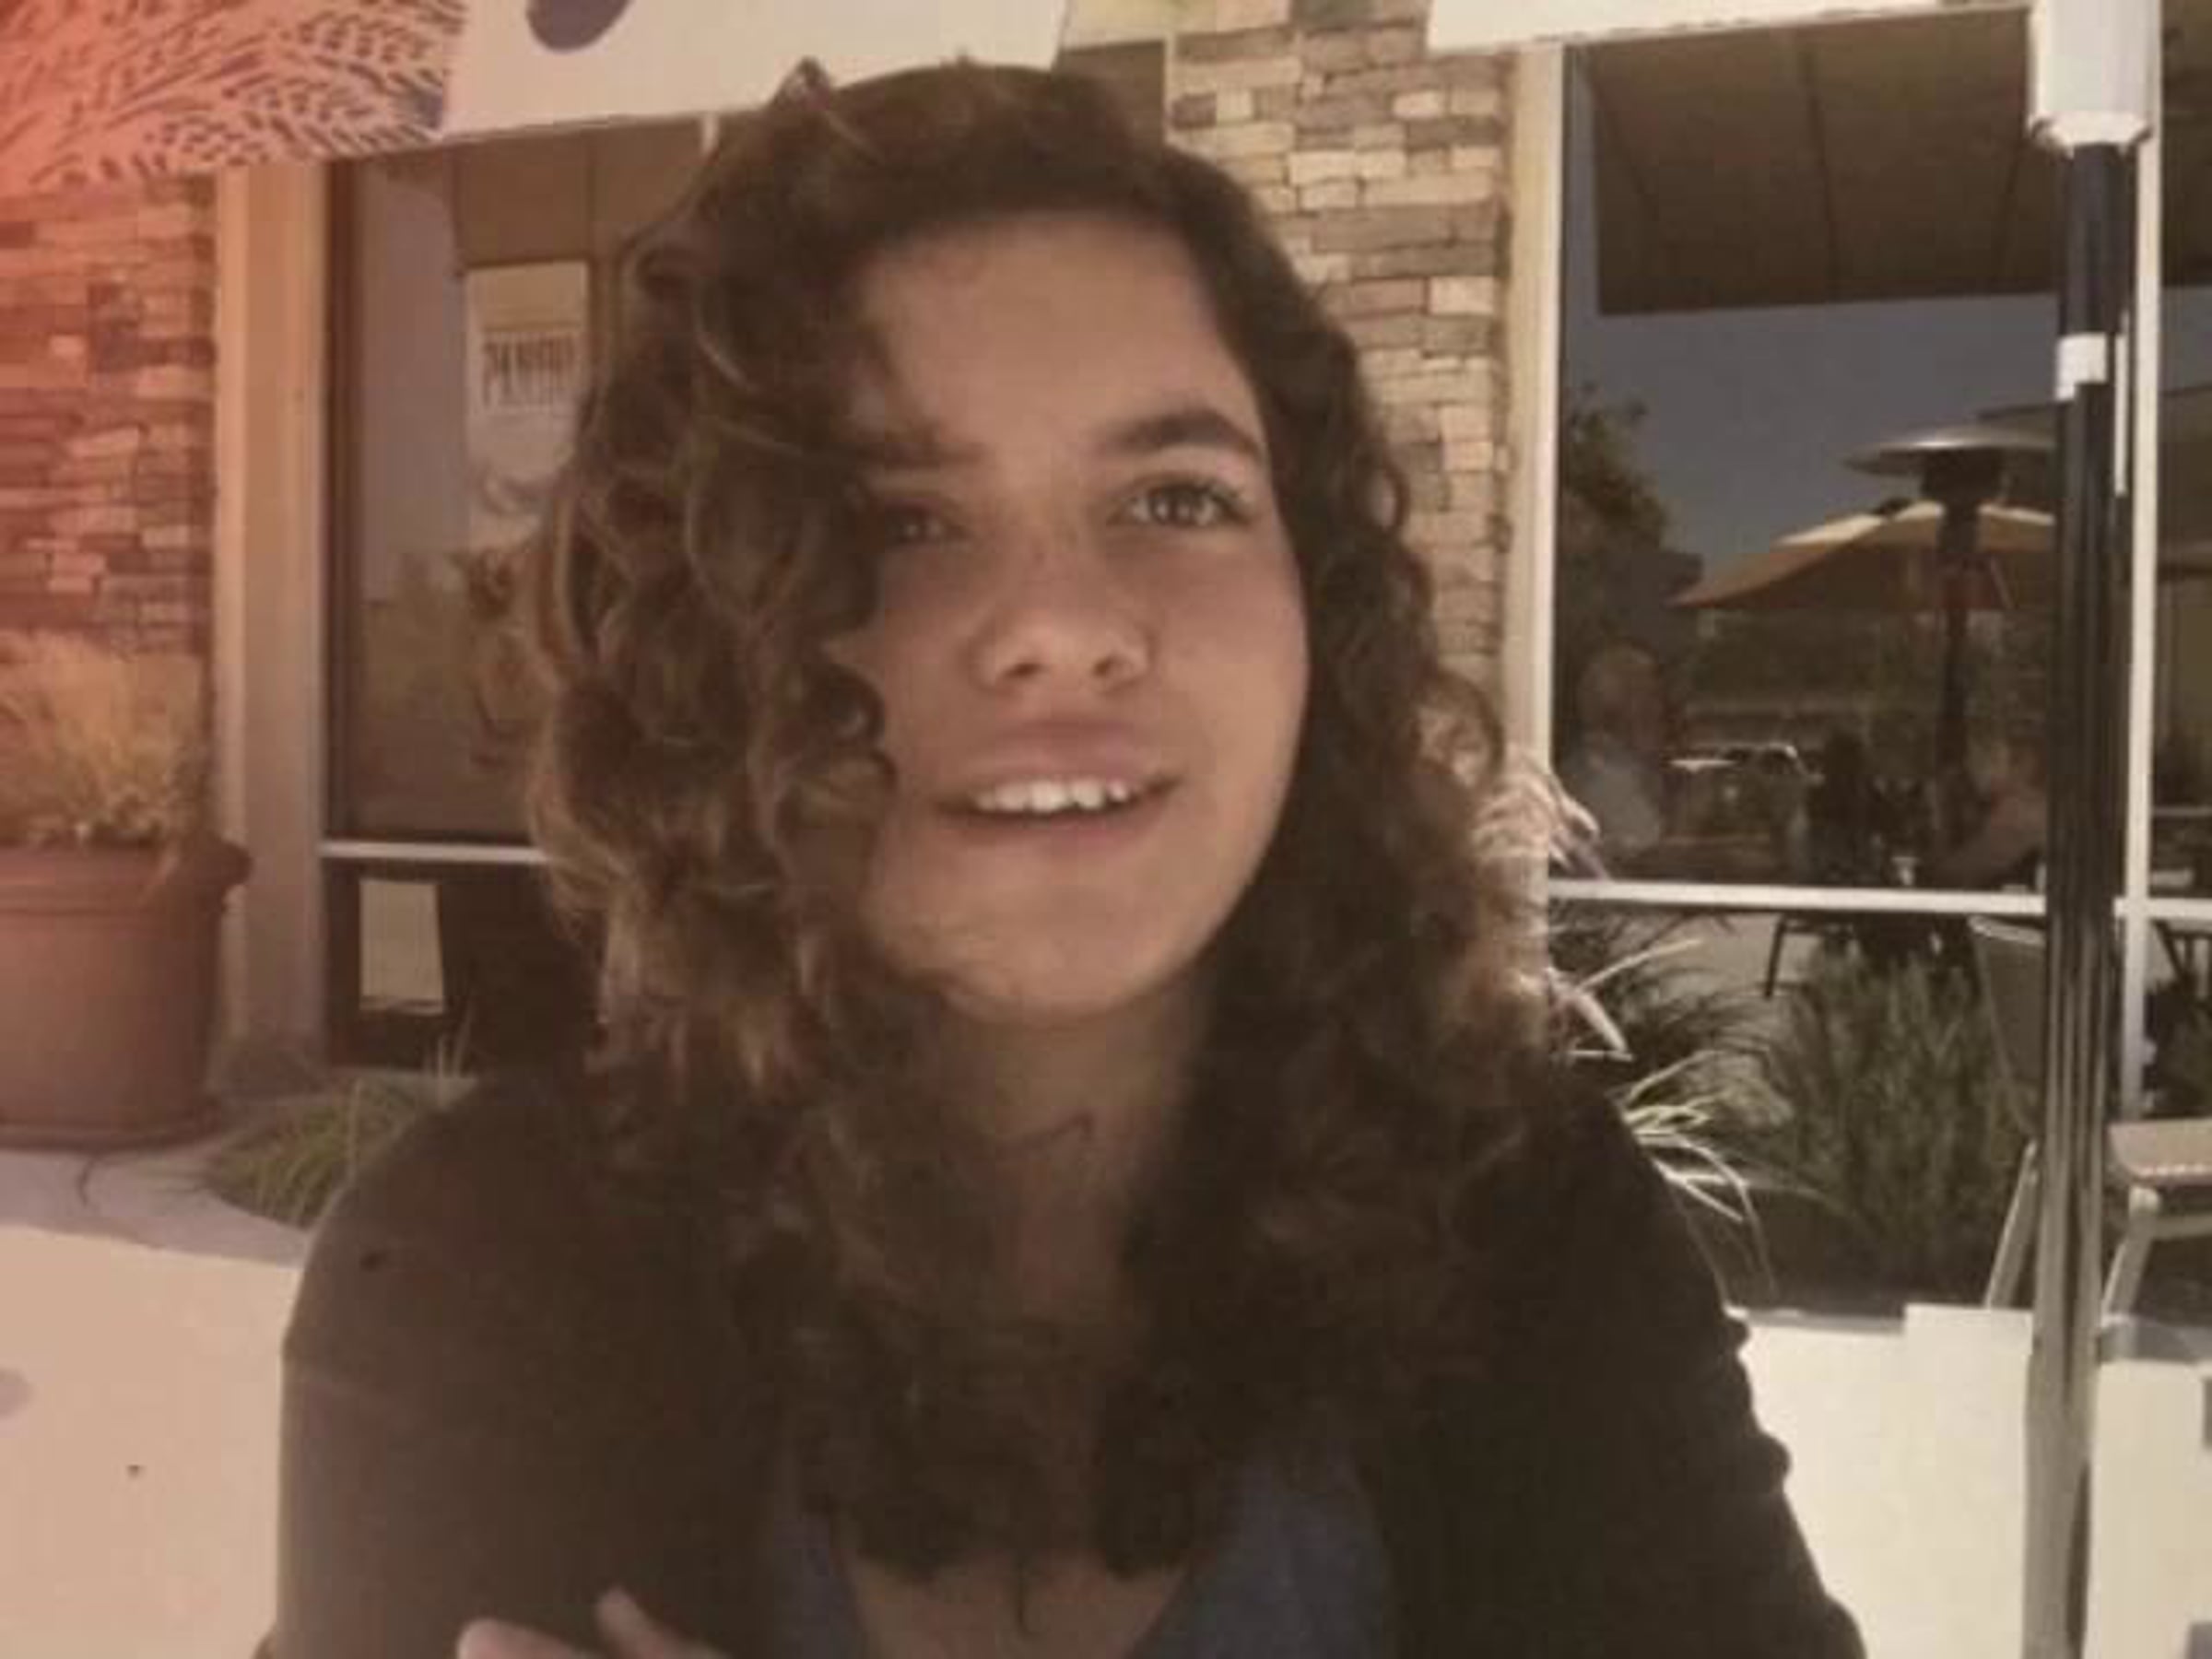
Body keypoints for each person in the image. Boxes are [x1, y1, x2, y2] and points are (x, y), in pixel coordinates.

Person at [265, 62, 1864, 1659]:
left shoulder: (1533, 1236)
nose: (1064, 626)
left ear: (1317, 609)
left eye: (1176, 496)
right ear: (707, 646)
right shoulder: (493, 1267)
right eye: (897, 523)